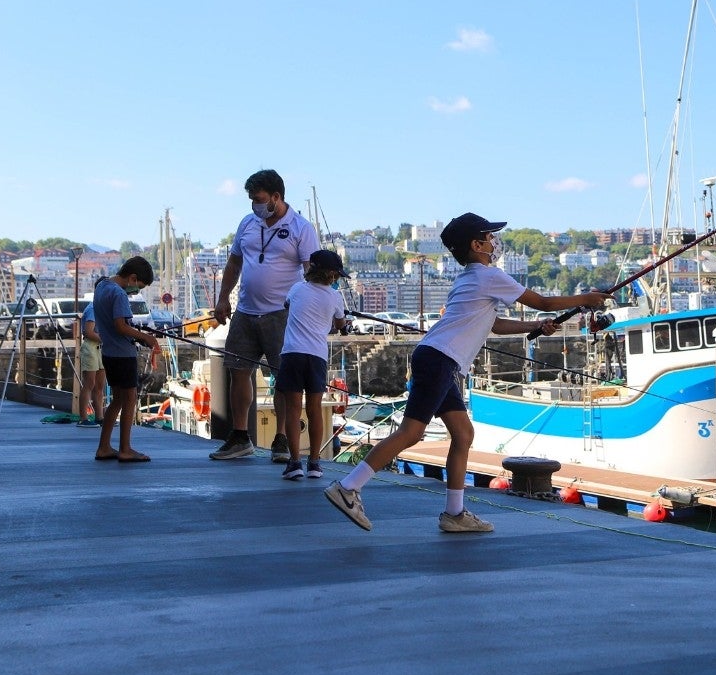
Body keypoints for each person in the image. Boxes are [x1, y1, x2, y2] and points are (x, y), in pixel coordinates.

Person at [324, 212, 612, 532]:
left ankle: (455, 513)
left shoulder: (469, 279)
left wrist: (534, 327)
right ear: (476, 244)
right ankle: (349, 487)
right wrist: (586, 298)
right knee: (411, 432)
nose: (495, 242)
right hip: (439, 360)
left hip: (441, 360)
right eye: (490, 237)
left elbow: (496, 325)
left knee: (463, 434)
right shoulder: (489, 276)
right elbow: (542, 301)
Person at [210, 169, 321, 461]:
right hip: (245, 312)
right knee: (238, 373)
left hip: (281, 315)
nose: (254, 206)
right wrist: (222, 298)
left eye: (258, 199)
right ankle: (239, 436)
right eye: (250, 200)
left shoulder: (301, 228)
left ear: (276, 197)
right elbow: (234, 264)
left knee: (285, 380)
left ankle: (282, 438)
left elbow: (312, 273)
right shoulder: (247, 223)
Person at [277, 249, 348, 481]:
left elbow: (288, 306)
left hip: (292, 354)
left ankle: (294, 462)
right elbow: (339, 324)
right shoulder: (336, 297)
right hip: (317, 357)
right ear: (332, 275)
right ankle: (315, 463)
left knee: (293, 409)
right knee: (315, 409)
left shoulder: (297, 289)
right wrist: (342, 323)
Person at [92, 257, 160, 462]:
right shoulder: (119, 293)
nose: (136, 292)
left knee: (117, 400)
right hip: (123, 354)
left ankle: (104, 447)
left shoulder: (102, 286)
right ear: (132, 278)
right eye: (138, 287)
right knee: (129, 399)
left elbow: (113, 325)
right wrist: (146, 337)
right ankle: (125, 448)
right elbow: (121, 326)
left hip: (109, 353)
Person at [75, 284, 106, 427]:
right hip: (91, 347)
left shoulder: (100, 308)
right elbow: (89, 332)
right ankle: (83, 418)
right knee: (89, 383)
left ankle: (99, 417)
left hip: (100, 348)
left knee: (100, 385)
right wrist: (106, 339)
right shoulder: (93, 309)